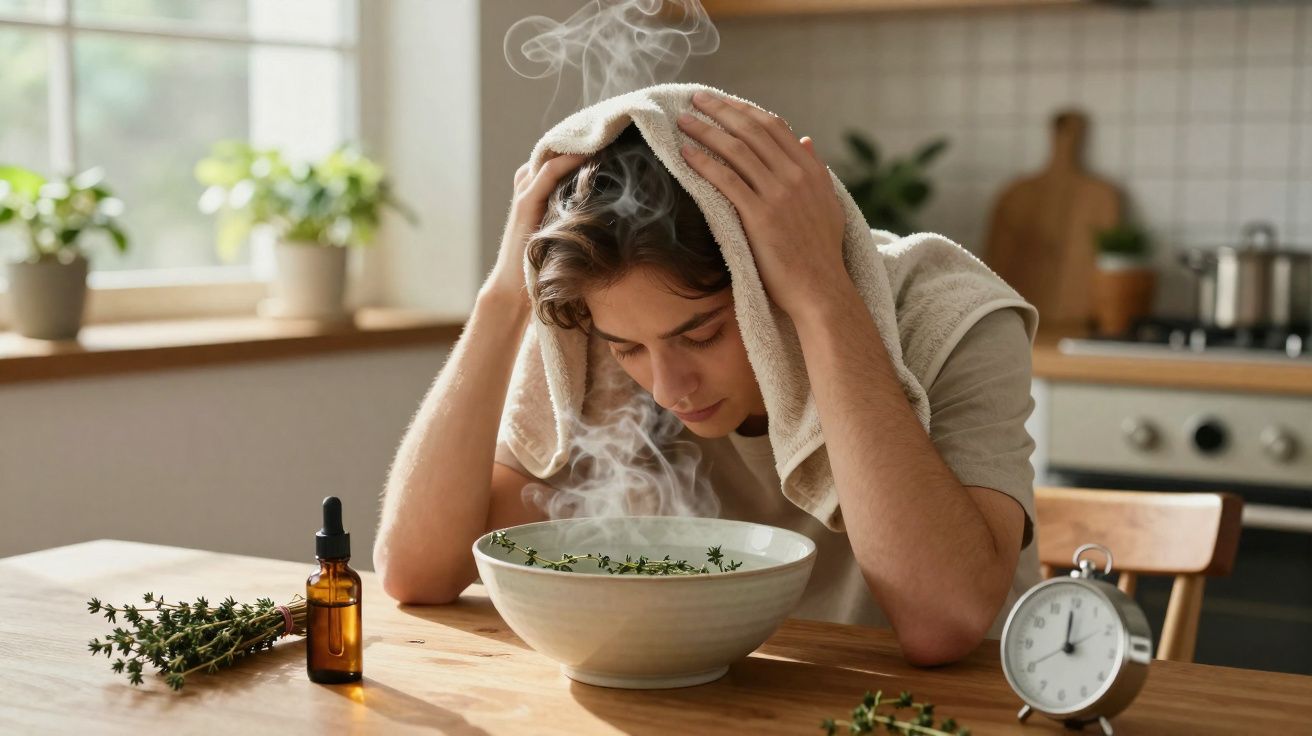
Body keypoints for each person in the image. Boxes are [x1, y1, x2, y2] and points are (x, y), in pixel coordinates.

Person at [374, 91, 1039, 666]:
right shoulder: (596, 340)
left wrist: (822, 295)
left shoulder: (949, 313)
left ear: (765, 280)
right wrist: (503, 296)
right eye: (629, 348)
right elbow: (416, 572)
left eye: (701, 334)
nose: (668, 387)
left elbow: (943, 625)